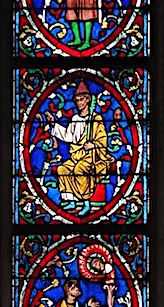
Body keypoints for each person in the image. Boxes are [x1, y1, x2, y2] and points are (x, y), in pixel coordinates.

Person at [44, 81, 114, 212]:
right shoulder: (75, 118)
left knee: (79, 170)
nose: (79, 103)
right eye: (77, 100)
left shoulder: (96, 119)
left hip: (93, 157)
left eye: (82, 99)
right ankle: (71, 201)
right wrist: (54, 124)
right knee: (62, 169)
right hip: (77, 155)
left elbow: (103, 140)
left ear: (88, 100)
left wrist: (93, 145)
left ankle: (86, 202)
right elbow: (68, 136)